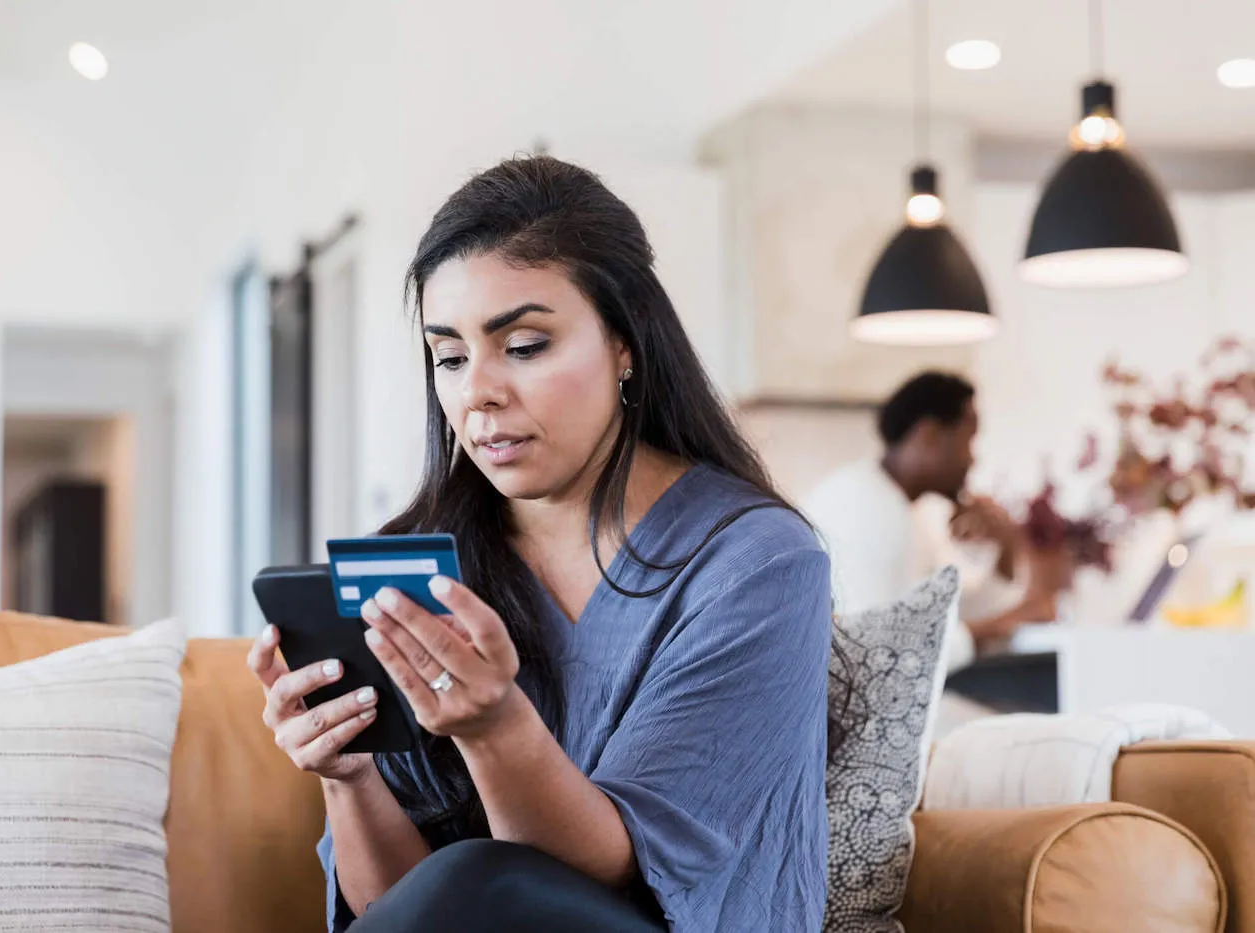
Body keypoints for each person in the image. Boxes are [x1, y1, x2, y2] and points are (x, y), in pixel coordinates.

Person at [247, 156, 842, 932]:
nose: (478, 391)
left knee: (479, 874)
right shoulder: (417, 555)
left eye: (524, 346)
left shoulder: (758, 565)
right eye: (450, 357)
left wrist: (496, 727)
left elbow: (611, 879)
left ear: (625, 343)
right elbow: (395, 907)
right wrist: (349, 772)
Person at [803, 371, 1066, 672]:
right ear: (929, 435)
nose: (972, 459)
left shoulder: (896, 504)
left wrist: (1005, 546)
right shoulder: (868, 512)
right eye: (969, 439)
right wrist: (1003, 624)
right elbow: (880, 649)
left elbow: (942, 613)